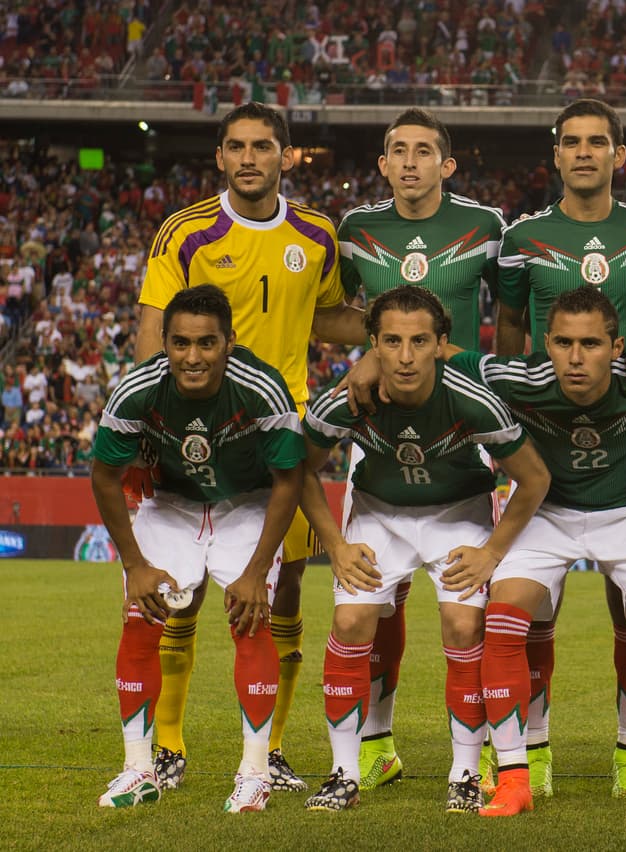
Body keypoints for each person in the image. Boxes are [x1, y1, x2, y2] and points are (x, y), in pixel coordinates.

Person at [134, 102, 367, 793]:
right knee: (183, 590)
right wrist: (154, 426)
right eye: (235, 146)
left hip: (282, 437)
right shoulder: (186, 231)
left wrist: (398, 323)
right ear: (220, 157)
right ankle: (169, 745)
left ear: (284, 156)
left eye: (262, 146)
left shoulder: (317, 234)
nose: (248, 158)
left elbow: (325, 316)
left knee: (283, 590)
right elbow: (154, 329)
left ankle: (270, 753)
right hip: (197, 434)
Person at [446, 286, 626, 824]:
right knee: (505, 619)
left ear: (618, 346)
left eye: (590, 344)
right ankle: (514, 780)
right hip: (547, 512)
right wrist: (372, 361)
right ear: (546, 345)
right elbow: (439, 352)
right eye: (562, 343)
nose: (576, 358)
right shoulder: (515, 377)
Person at [298, 286, 549, 813]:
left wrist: (492, 554)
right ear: (373, 345)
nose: (405, 356)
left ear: (441, 344)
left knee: (463, 625)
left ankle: (463, 772)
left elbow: (533, 478)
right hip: (378, 512)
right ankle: (343, 771)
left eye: (418, 341)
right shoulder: (344, 399)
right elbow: (299, 470)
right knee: (349, 623)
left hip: (457, 513)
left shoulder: (472, 399)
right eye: (391, 341)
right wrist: (337, 545)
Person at [495, 98, 626, 799]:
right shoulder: (522, 236)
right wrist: (502, 426)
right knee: (531, 611)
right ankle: (529, 757)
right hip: (544, 461)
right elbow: (511, 325)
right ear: (556, 153)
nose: (583, 153)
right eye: (570, 142)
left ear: (618, 155)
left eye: (597, 142)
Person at [335, 107, 506, 790]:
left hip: (461, 430)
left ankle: (484, 748)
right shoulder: (356, 231)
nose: (410, 162)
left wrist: (485, 380)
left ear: (448, 163)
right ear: (383, 165)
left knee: (468, 608)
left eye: (423, 151)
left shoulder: (488, 227)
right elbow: (348, 314)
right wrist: (361, 356)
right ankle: (375, 743)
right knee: (379, 600)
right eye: (397, 152)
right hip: (381, 431)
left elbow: (515, 315)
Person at [92, 285, 304, 812]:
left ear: (229, 342)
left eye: (207, 343)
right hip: (172, 503)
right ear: (164, 342)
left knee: (249, 617)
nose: (193, 357)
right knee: (141, 619)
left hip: (247, 503)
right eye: (181, 343)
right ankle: (137, 770)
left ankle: (254, 774)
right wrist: (135, 565)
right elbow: (103, 476)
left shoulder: (263, 387)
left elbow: (289, 479)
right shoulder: (136, 389)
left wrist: (256, 571)